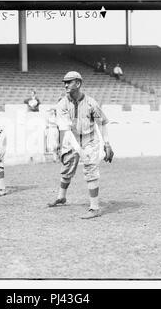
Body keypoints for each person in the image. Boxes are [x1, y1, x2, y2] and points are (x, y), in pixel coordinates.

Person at [48, 71, 114, 219]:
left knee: (90, 168)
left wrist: (107, 144)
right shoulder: (62, 104)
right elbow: (66, 131)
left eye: (69, 82)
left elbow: (103, 123)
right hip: (71, 139)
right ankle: (61, 197)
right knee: (66, 167)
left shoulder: (91, 103)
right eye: (64, 82)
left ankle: (95, 207)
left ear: (78, 84)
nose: (65, 85)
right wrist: (79, 150)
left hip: (89, 139)